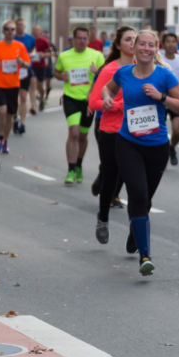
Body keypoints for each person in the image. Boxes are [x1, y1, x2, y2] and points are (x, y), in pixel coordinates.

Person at [100, 29, 179, 275]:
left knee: (145, 200)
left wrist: (161, 97)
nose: (146, 49)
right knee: (137, 194)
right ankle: (145, 255)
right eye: (142, 44)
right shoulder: (124, 73)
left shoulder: (165, 76)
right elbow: (108, 89)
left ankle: (134, 230)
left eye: (151, 45)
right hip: (128, 143)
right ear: (135, 48)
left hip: (157, 147)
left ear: (156, 49)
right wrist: (107, 99)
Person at [89, 27, 135, 245]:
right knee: (111, 177)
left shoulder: (144, 69)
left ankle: (137, 228)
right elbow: (94, 102)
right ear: (118, 45)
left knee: (134, 180)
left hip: (137, 133)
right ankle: (103, 218)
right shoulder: (110, 70)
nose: (133, 43)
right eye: (128, 40)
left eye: (136, 39)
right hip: (112, 131)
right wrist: (114, 105)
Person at [53, 27, 105, 185]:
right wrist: (61, 76)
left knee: (83, 136)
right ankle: (71, 169)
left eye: (85, 38)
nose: (82, 41)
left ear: (88, 40)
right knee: (74, 133)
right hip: (70, 99)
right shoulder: (64, 56)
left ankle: (79, 165)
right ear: (73, 39)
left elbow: (106, 76)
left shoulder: (96, 55)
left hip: (89, 101)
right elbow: (56, 72)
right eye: (79, 38)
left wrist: (97, 72)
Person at [0, 20, 30, 155]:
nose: (10, 32)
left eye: (12, 29)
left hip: (13, 85)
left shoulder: (20, 46)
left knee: (10, 115)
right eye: (7, 29)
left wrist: (21, 62)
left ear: (15, 32)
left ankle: (5, 140)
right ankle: (0, 136)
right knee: (2, 110)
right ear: (3, 31)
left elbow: (27, 64)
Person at [160, 32, 179, 166]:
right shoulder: (157, 58)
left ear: (177, 44)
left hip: (175, 100)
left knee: (177, 131)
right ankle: (161, 152)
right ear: (163, 44)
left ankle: (171, 148)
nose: (171, 44)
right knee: (160, 131)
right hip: (159, 99)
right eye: (168, 41)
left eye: (173, 42)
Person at [13, 18, 36, 134]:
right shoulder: (12, 38)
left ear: (25, 26)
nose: (20, 27)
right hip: (13, 71)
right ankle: (15, 118)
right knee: (13, 97)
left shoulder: (30, 39)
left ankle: (22, 122)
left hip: (25, 69)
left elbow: (34, 50)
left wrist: (30, 55)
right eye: (19, 25)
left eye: (22, 25)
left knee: (23, 97)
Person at [31, 24, 54, 112]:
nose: (35, 32)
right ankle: (33, 105)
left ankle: (42, 97)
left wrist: (43, 55)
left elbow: (50, 54)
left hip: (41, 66)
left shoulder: (44, 41)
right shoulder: (30, 40)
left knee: (39, 85)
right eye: (34, 30)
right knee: (33, 83)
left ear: (40, 32)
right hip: (31, 66)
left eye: (37, 30)